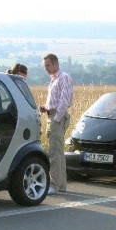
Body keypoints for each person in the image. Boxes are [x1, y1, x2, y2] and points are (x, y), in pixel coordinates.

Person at [39, 53, 74, 195]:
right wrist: (46, 108)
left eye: (47, 65)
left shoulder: (63, 78)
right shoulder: (54, 79)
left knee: (54, 153)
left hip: (56, 118)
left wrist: (56, 119)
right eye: (45, 66)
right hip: (51, 115)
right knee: (58, 152)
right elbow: (56, 101)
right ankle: (61, 185)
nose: (46, 68)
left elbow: (64, 101)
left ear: (55, 63)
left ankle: (53, 184)